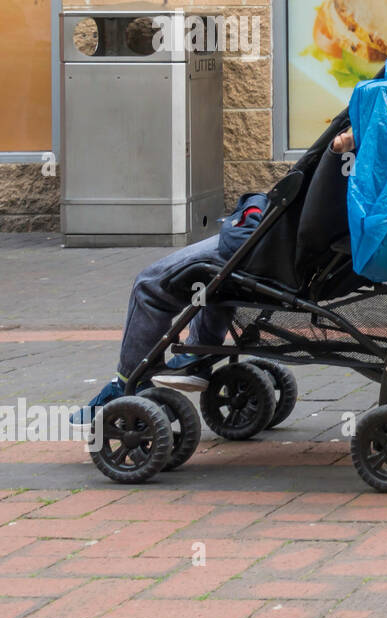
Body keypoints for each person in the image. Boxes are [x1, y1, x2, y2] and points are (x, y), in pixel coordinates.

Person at [71, 128, 358, 426]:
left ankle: (129, 383)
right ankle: (199, 355)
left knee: (150, 284)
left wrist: (341, 146)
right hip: (312, 260)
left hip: (277, 255)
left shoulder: (349, 145)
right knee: (218, 275)